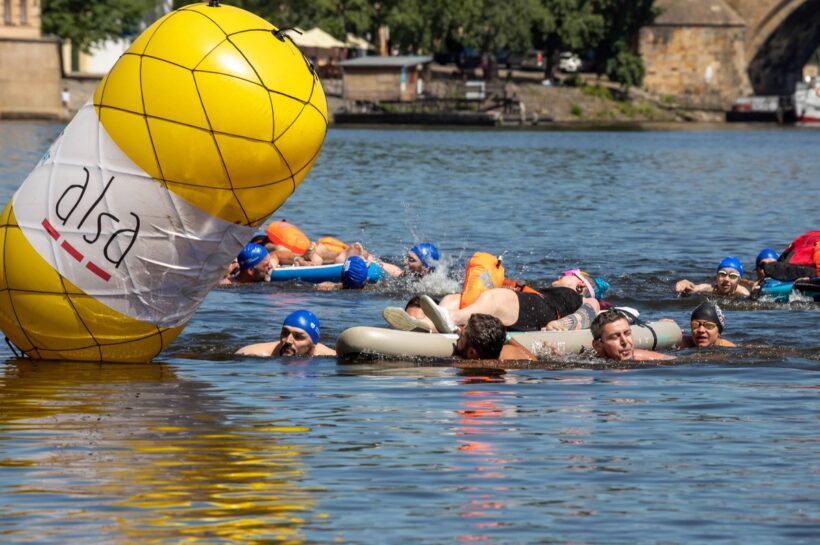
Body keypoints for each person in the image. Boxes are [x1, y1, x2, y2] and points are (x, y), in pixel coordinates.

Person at [236, 310, 335, 356]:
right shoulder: (252, 354)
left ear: (313, 344)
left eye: (298, 336)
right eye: (285, 333)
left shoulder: (330, 356)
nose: (288, 340)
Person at [591, 310, 675, 361]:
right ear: (598, 345)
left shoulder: (643, 357)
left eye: (627, 333)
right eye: (615, 336)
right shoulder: (589, 363)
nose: (624, 341)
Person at [455, 313, 536, 361]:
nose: (459, 335)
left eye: (461, 336)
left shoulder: (472, 365)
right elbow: (533, 359)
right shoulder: (513, 350)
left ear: (472, 352)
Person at [675, 256, 750, 297]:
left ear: (739, 280)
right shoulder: (710, 288)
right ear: (717, 277)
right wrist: (684, 283)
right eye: (722, 274)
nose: (726, 279)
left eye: (733, 276)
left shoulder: (744, 293)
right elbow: (694, 288)